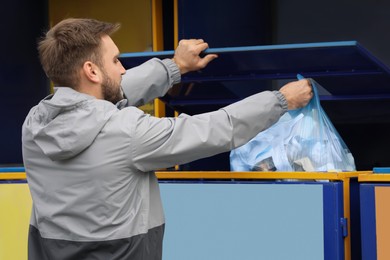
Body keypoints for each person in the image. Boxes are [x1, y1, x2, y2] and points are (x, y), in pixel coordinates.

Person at [22, 18, 312, 260]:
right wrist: (280, 100)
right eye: (115, 60)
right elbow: (214, 129)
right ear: (91, 71)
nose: (123, 69)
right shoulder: (127, 132)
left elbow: (100, 100)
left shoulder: (35, 124)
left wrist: (174, 67)